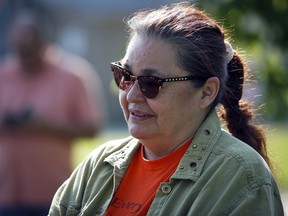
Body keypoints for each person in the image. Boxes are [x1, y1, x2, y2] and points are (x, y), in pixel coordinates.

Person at [48, 2, 284, 215]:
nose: (131, 95)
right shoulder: (98, 165)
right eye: (125, 75)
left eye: (151, 83)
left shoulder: (240, 178)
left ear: (206, 92)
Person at [0, 8, 105, 216]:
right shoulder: (3, 73)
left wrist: (45, 126)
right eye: (19, 49)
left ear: (44, 42)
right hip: (6, 191)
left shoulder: (73, 75)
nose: (24, 56)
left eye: (29, 49)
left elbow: (92, 128)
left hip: (54, 193)